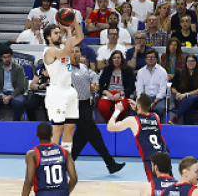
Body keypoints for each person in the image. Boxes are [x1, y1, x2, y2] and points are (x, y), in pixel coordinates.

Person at [70, 46, 126, 174]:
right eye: (72, 51)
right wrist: (90, 85)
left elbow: (93, 76)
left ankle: (69, 162)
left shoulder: (84, 67)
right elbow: (72, 79)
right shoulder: (67, 68)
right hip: (75, 105)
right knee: (94, 133)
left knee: (83, 135)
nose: (75, 53)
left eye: (77, 51)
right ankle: (110, 163)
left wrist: (95, 85)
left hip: (86, 104)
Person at [107, 93, 169, 182]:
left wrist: (117, 111)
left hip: (151, 160)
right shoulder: (156, 117)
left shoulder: (132, 120)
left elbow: (110, 127)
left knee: (157, 188)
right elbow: (145, 117)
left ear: (138, 105)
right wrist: (138, 107)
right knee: (169, 185)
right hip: (164, 157)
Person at [43, 21, 84, 151]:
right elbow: (67, 51)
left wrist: (73, 24)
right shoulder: (50, 50)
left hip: (69, 90)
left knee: (70, 127)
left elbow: (80, 37)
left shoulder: (61, 46)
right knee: (57, 128)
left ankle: (66, 157)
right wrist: (67, 31)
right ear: (48, 37)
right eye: (56, 33)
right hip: (56, 92)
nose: (59, 35)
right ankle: (53, 157)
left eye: (59, 32)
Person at [22, 122, 77, 196]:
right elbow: (74, 178)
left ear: (37, 134)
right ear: (51, 134)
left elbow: (29, 181)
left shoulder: (32, 154)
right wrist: (66, 193)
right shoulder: (64, 151)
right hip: (61, 193)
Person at [98, 50, 136, 122]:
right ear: (111, 60)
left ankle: (117, 123)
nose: (116, 60)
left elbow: (132, 87)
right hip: (108, 93)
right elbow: (100, 84)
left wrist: (120, 93)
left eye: (118, 58)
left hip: (122, 93)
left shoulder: (128, 70)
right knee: (103, 107)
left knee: (120, 109)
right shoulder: (107, 69)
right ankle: (110, 122)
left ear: (122, 60)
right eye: (114, 58)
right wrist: (106, 92)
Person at [0, 47, 25, 121]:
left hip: (15, 93)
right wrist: (2, 95)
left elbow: (20, 87)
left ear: (11, 56)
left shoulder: (19, 69)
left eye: (9, 57)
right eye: (5, 57)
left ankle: (15, 123)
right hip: (2, 93)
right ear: (1, 58)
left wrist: (10, 96)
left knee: (18, 102)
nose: (7, 59)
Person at [168, 54, 198, 125]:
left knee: (193, 97)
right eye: (188, 61)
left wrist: (186, 94)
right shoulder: (179, 72)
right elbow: (172, 87)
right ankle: (188, 128)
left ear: (196, 62)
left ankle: (176, 117)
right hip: (180, 98)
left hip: (195, 100)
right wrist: (176, 93)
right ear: (186, 63)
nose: (190, 63)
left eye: (193, 61)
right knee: (186, 105)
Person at [136, 49, 169, 119]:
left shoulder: (162, 71)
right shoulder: (141, 72)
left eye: (152, 57)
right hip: (145, 98)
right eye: (148, 57)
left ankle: (156, 125)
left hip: (158, 98)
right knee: (135, 108)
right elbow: (139, 90)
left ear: (156, 59)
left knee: (160, 108)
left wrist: (153, 102)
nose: (150, 59)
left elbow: (162, 92)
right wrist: (142, 102)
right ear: (145, 59)